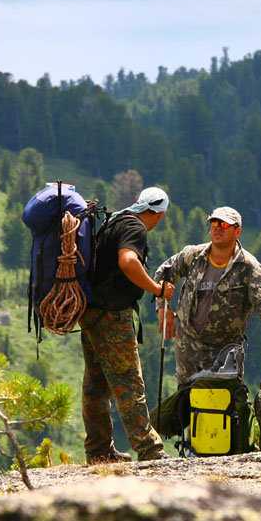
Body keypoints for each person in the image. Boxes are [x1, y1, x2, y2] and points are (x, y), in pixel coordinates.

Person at [152, 206, 261, 434]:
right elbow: (164, 273)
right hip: (188, 347)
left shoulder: (249, 267)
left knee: (223, 402)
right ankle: (193, 446)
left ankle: (222, 447)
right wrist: (162, 309)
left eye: (224, 225)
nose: (217, 229)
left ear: (237, 231)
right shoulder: (193, 256)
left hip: (225, 352)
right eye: (214, 224)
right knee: (188, 398)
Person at [80, 187, 175, 464]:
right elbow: (128, 260)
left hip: (90, 313)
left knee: (96, 385)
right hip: (112, 316)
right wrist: (157, 289)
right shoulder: (135, 228)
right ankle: (150, 450)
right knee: (129, 382)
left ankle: (98, 450)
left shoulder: (115, 222)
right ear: (159, 213)